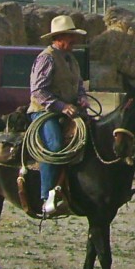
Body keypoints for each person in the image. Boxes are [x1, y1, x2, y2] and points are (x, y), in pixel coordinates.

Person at [29, 15, 89, 216]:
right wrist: (62, 106)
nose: (74, 40)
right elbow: (38, 91)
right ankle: (46, 197)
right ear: (59, 37)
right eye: (70, 36)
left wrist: (81, 98)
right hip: (44, 112)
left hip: (69, 110)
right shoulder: (46, 58)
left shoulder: (71, 58)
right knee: (53, 147)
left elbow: (79, 85)